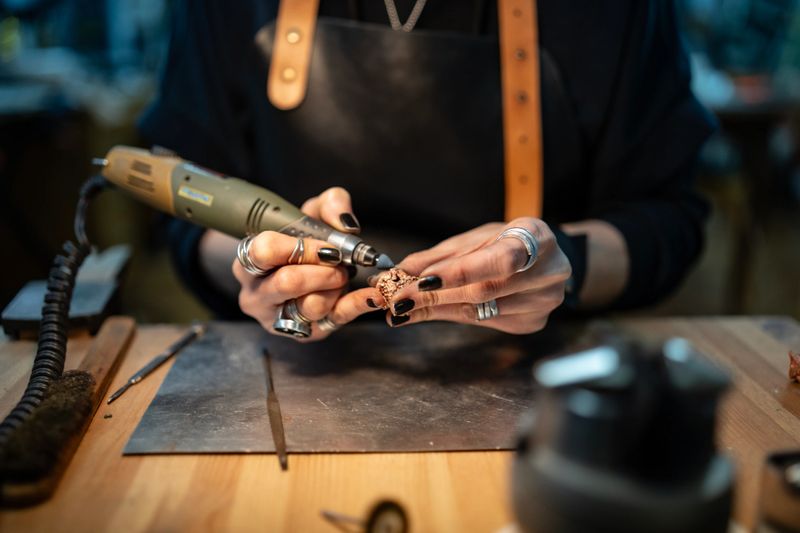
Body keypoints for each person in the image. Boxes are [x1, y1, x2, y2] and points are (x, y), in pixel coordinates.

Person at [139, 0, 715, 341]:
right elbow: (184, 212)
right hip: (292, 370)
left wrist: (564, 261)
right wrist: (255, 264)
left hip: (534, 385)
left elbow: (667, 220)